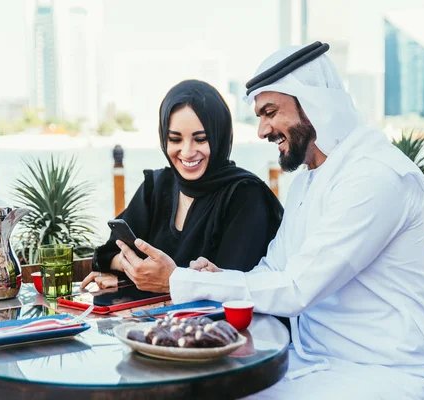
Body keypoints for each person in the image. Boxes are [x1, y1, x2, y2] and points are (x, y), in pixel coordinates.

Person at [114, 42, 424, 399]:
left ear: (314, 105)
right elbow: (274, 270)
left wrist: (179, 280)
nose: (261, 130)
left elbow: (297, 289)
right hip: (307, 361)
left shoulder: (375, 177)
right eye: (259, 116)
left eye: (270, 112)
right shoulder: (306, 180)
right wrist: (214, 277)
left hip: (382, 373)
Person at [81, 79, 283, 291]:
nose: (187, 152)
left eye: (201, 139)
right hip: (153, 321)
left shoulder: (245, 195)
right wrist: (128, 272)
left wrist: (163, 280)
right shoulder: (157, 186)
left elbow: (233, 287)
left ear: (219, 137)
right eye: (175, 140)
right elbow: (107, 253)